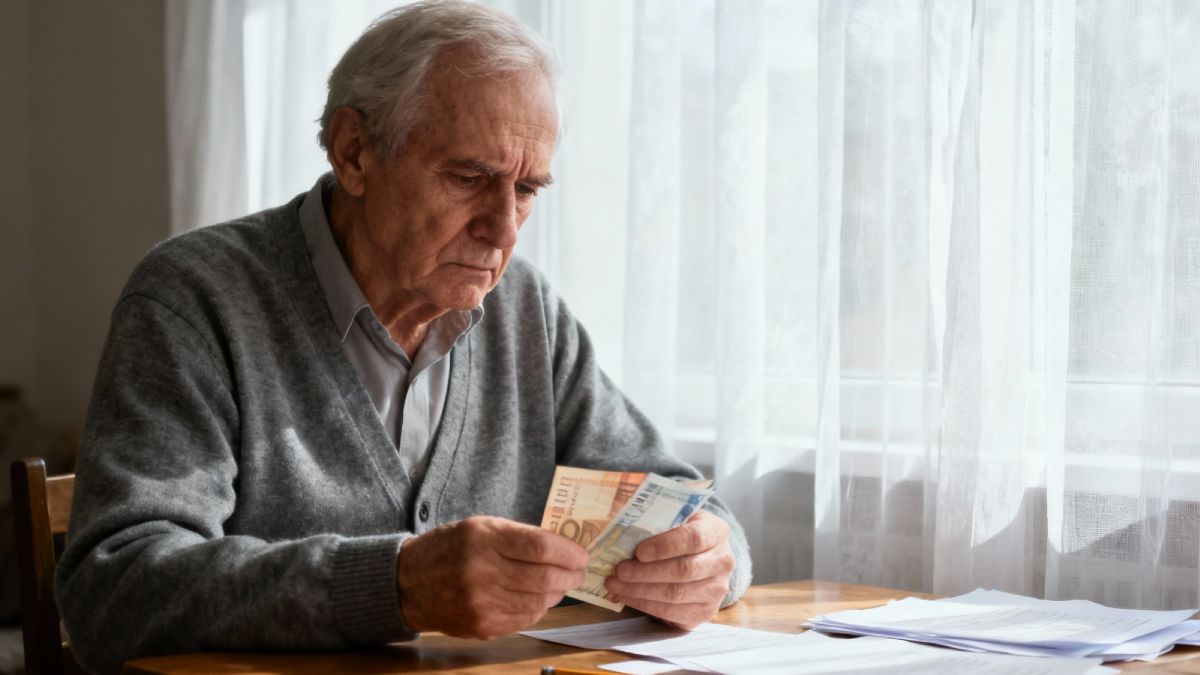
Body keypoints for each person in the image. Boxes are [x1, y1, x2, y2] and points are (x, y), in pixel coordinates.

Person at [56, 2, 751, 672]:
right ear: (354, 152)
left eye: (529, 189)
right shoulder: (196, 297)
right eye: (469, 177)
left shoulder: (524, 311)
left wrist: (709, 561)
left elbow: (691, 507)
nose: (504, 229)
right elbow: (112, 591)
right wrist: (397, 584)